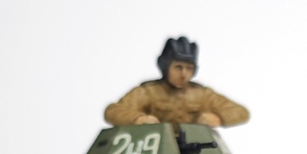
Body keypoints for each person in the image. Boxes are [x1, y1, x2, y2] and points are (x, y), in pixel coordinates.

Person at [104, 37, 249, 129]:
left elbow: (240, 112)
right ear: (166, 67)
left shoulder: (202, 95)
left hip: (195, 151)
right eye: (178, 67)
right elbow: (113, 111)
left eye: (189, 68)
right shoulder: (148, 92)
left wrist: (218, 118)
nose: (184, 74)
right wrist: (138, 119)